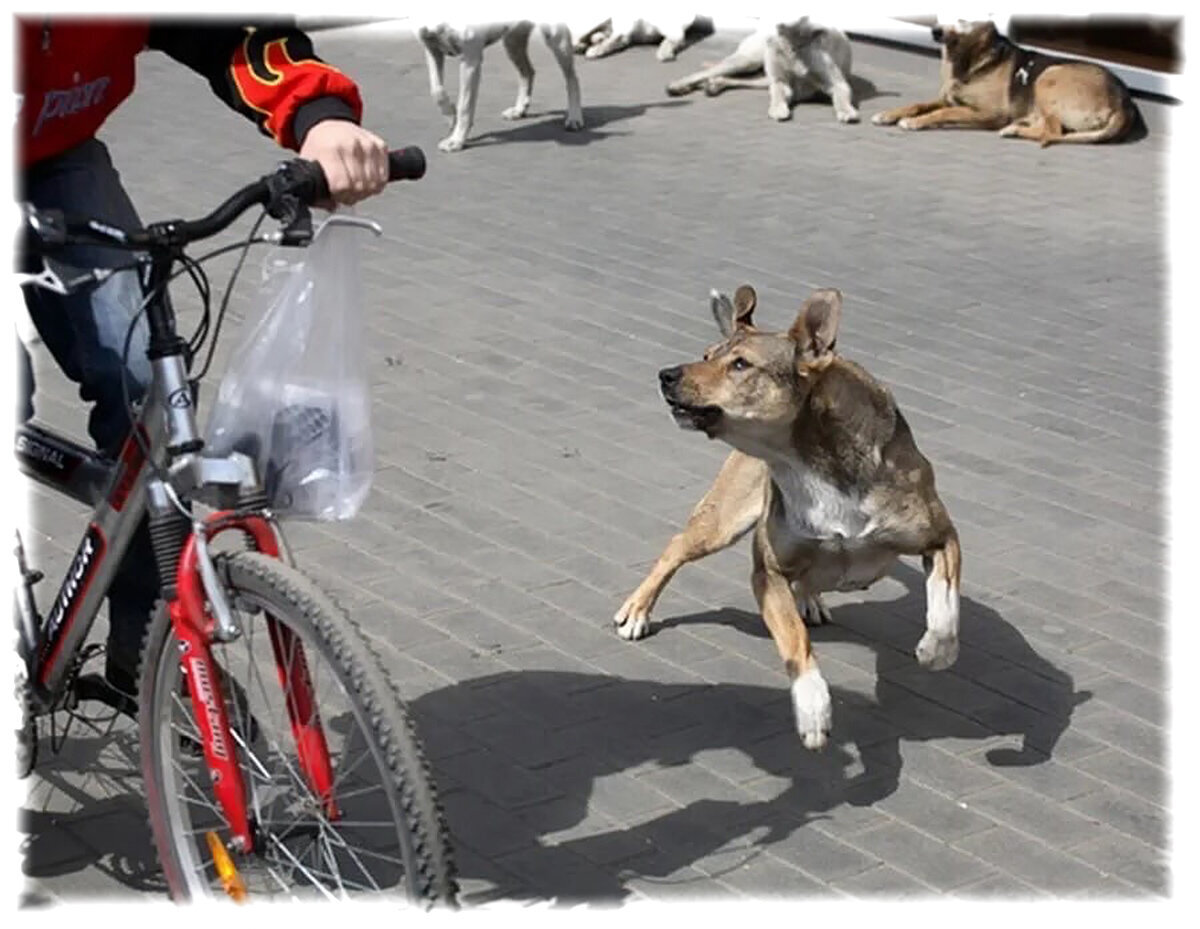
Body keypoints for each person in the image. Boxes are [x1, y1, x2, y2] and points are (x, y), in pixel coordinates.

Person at [16, 18, 390, 696]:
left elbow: (235, 34)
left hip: (53, 153)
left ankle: (146, 650)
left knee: (142, 382)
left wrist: (318, 116)